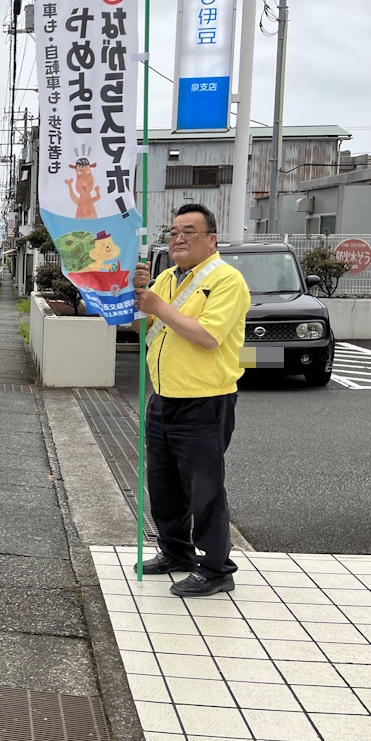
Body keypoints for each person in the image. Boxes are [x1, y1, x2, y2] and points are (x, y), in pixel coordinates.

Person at [132, 204, 251, 598]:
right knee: (163, 484)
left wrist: (157, 306)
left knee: (205, 489)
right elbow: (145, 325)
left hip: (205, 400)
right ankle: (175, 551)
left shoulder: (227, 280)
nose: (178, 239)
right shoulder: (166, 277)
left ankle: (217, 568)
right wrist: (137, 301)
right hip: (163, 397)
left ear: (212, 239)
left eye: (189, 232)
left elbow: (208, 336)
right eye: (174, 233)